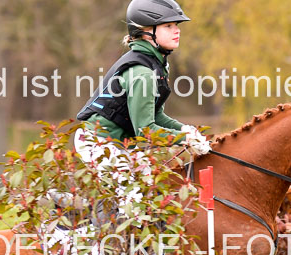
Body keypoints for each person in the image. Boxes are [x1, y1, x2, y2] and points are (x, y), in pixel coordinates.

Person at [75, 0, 210, 179]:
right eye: (168, 26)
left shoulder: (156, 66)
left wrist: (185, 130)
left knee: (155, 187)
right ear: (147, 32)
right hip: (98, 144)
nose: (177, 30)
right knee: (135, 201)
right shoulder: (143, 73)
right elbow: (146, 131)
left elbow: (156, 116)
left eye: (176, 25)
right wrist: (185, 139)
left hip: (118, 145)